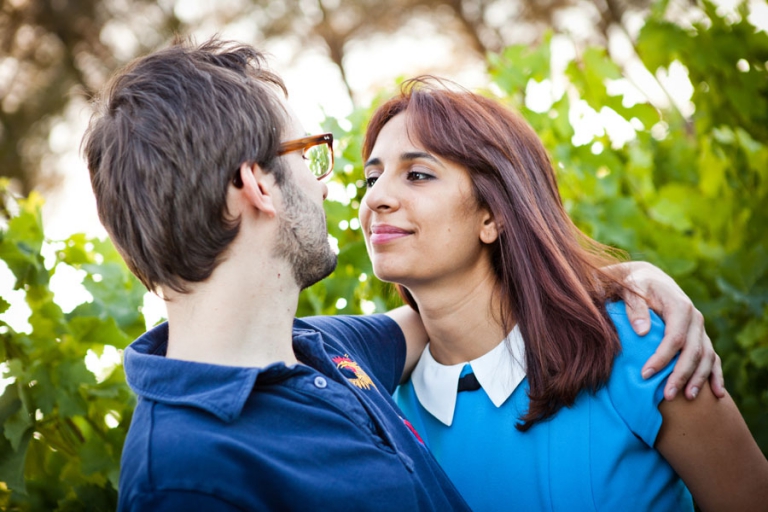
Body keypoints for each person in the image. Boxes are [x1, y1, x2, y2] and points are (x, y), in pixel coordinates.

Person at [82, 38, 719, 510]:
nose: (364, 196)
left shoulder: (327, 353)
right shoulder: (182, 475)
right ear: (257, 184)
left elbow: (451, 318)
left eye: (416, 173)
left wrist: (626, 278)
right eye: (309, 154)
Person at [359, 78, 768, 512]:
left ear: (494, 214)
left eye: (418, 174)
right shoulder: (383, 413)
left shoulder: (638, 348)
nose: (377, 197)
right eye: (372, 178)